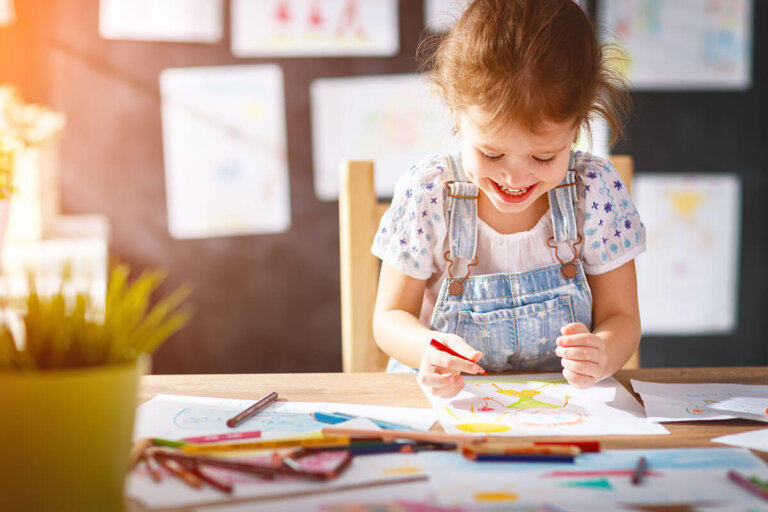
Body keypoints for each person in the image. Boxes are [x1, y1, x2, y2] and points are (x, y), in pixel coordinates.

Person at [371, 0, 643, 398]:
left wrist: (602, 350)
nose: (516, 177)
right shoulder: (429, 192)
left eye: (544, 156)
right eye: (491, 154)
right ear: (454, 111)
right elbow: (390, 318)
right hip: (445, 404)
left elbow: (622, 317)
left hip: (561, 410)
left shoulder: (594, 190)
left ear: (580, 123)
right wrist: (428, 350)